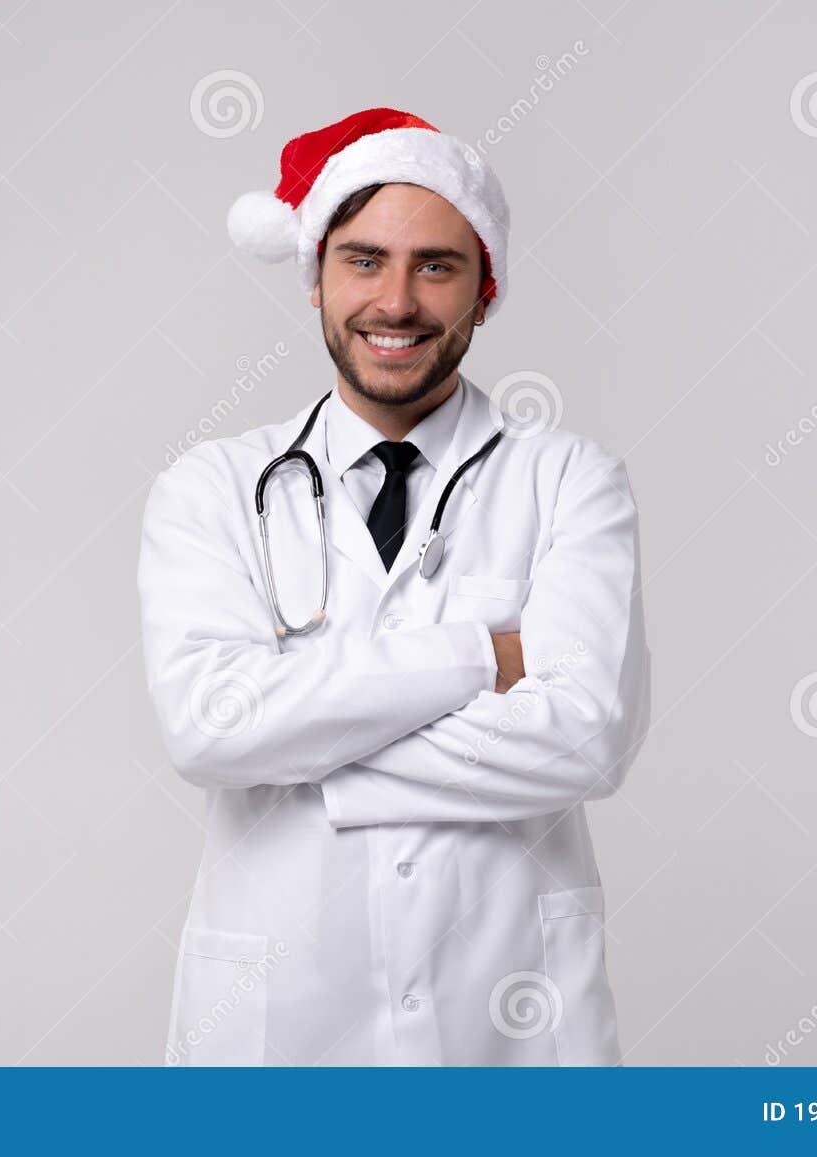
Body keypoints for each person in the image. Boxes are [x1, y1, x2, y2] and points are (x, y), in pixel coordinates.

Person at [137, 107, 651, 1065]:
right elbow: (207, 727)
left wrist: (306, 748)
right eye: (365, 261)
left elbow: (585, 735)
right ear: (316, 278)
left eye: (437, 265)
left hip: (512, 1028)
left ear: (483, 291)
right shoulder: (210, 489)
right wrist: (479, 655)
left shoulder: (570, 478)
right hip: (281, 1029)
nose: (398, 302)